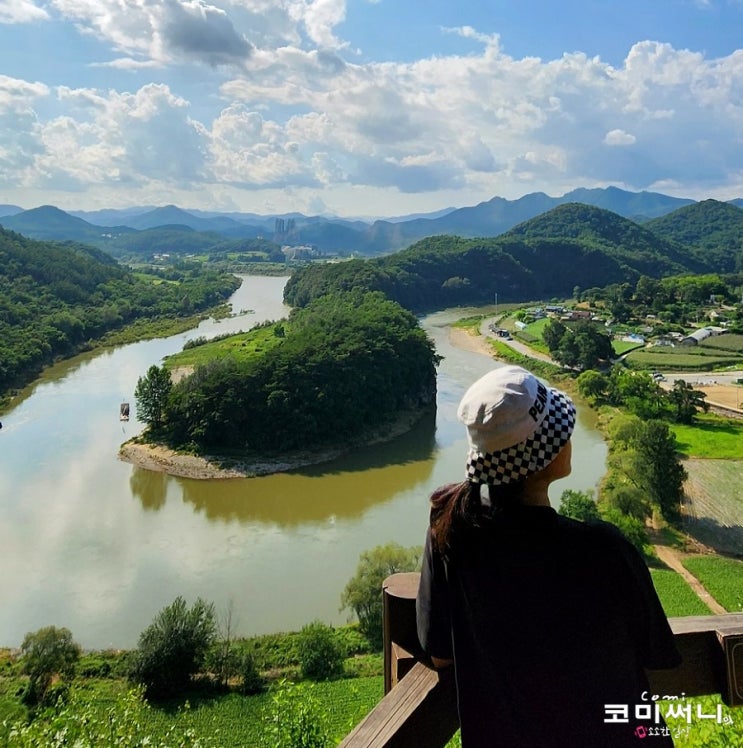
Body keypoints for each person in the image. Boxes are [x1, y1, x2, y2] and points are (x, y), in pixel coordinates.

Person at [416, 365, 681, 747]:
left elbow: (440, 655)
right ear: (542, 456)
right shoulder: (603, 550)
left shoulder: (449, 535)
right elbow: (657, 653)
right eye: (562, 429)